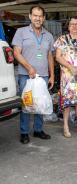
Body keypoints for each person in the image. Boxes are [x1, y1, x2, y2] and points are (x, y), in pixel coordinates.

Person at [12, 6, 54, 144]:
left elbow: (49, 56)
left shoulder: (48, 35)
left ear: (44, 18)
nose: (37, 18)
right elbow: (16, 52)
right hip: (26, 75)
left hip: (43, 76)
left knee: (40, 103)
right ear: (30, 16)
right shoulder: (21, 32)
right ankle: (24, 132)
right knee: (27, 103)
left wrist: (52, 75)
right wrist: (29, 67)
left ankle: (38, 130)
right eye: (35, 15)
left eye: (40, 16)